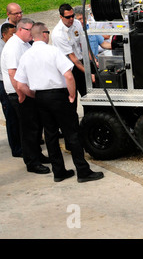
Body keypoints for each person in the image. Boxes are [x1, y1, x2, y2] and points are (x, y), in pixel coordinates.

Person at [14, 22, 104, 183]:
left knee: (50, 135)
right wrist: (71, 96)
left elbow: (20, 85)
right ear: (44, 34)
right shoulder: (53, 51)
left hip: (40, 97)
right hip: (58, 95)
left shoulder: (26, 55)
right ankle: (82, 171)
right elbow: (69, 76)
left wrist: (34, 95)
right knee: (72, 133)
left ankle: (59, 171)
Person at [0, 18, 50, 174]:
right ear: (20, 30)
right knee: (27, 129)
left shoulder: (25, 44)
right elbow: (12, 73)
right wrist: (21, 94)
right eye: (29, 30)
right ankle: (31, 162)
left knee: (35, 126)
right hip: (19, 93)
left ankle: (37, 154)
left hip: (28, 91)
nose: (32, 34)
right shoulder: (14, 47)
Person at [51, 3, 94, 99]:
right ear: (61, 17)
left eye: (73, 16)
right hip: (69, 67)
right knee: (72, 96)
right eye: (68, 17)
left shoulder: (77, 23)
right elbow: (73, 59)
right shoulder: (58, 34)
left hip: (80, 62)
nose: (71, 19)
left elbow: (84, 45)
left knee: (87, 94)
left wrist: (93, 60)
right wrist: (88, 74)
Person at [0, 23, 22, 157]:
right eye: (11, 34)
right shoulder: (3, 48)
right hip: (3, 83)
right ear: (4, 35)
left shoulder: (14, 45)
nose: (14, 37)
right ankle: (16, 148)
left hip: (11, 81)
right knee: (11, 115)